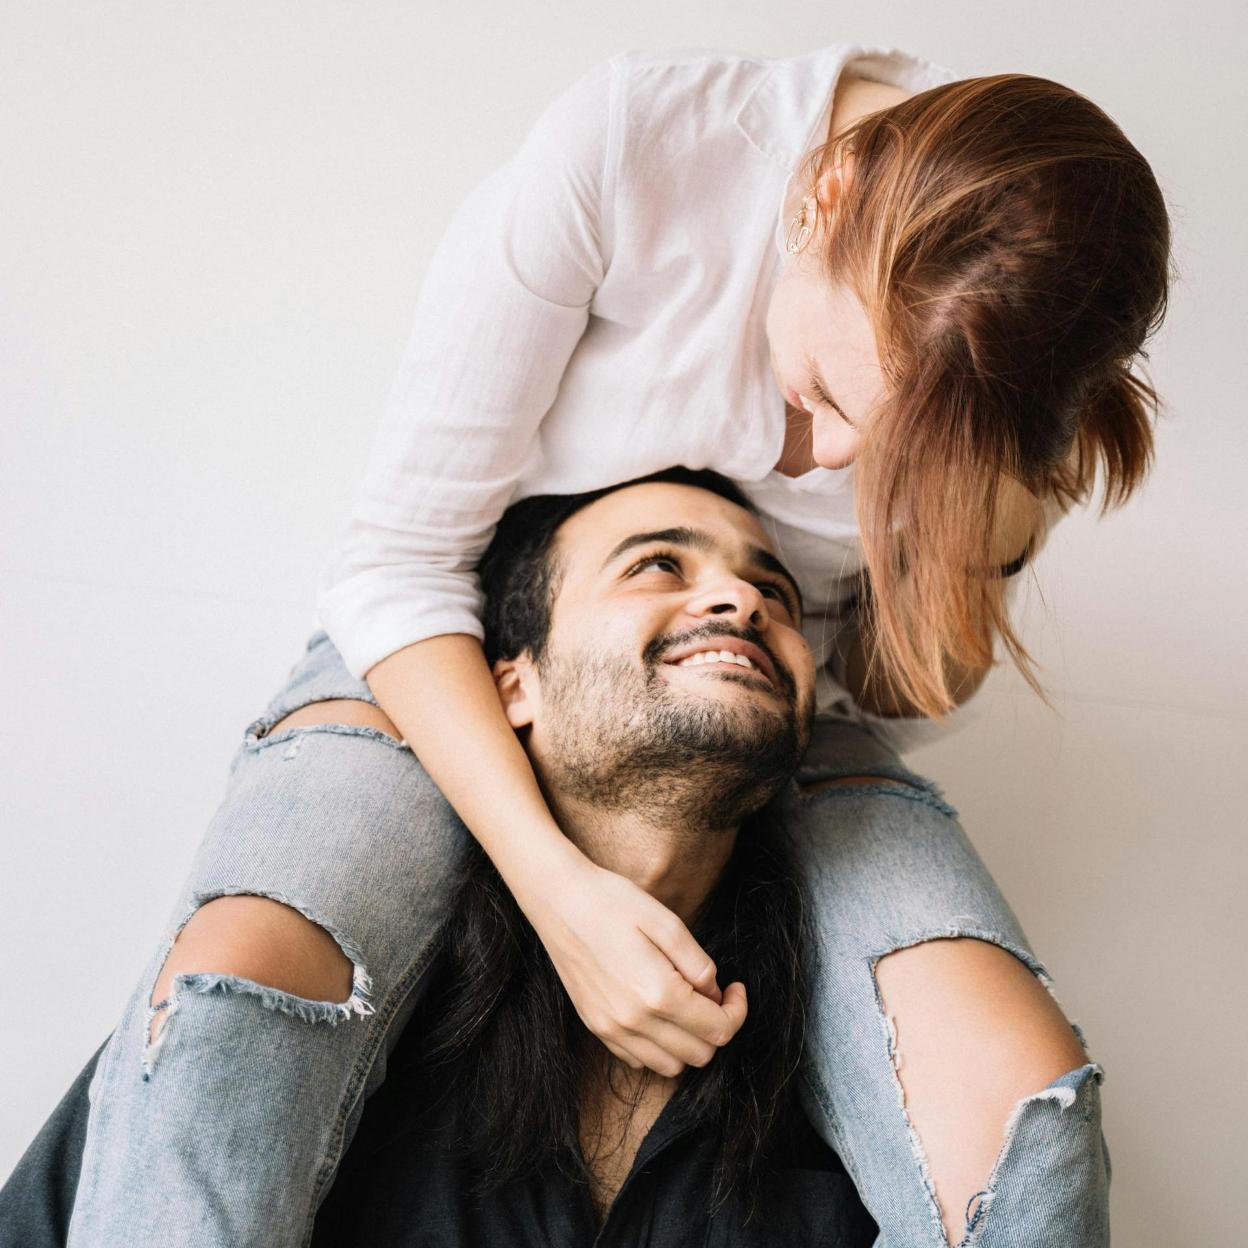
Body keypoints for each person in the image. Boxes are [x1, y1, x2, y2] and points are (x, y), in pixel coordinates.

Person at [15, 40, 1168, 1247]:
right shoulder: (635, 156)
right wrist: (559, 895)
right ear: (820, 200)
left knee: (1025, 1121)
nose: (829, 460)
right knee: (235, 1008)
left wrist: (989, 539)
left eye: (868, 440)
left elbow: (895, 687)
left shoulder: (1017, 357)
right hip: (445, 645)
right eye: (829, 393)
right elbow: (394, 566)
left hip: (793, 719)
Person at [310, 469, 877, 1245]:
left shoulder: (867, 1051)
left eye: (775, 594)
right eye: (658, 565)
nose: (745, 602)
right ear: (514, 686)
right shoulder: (338, 1017)